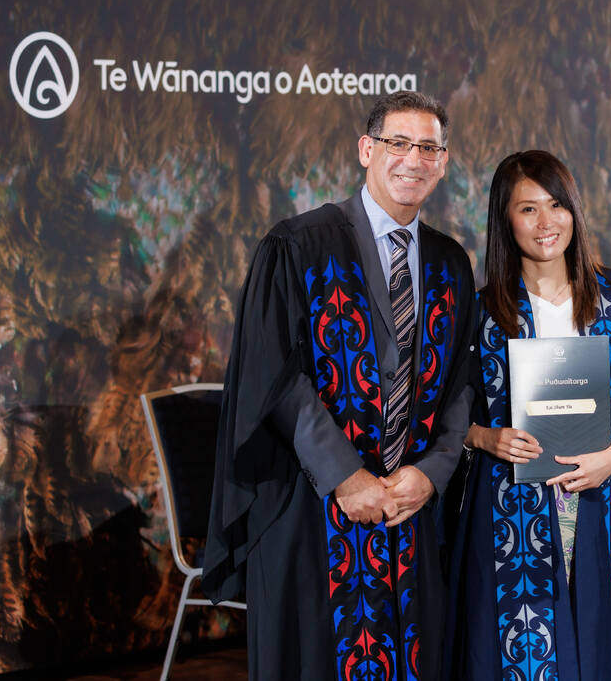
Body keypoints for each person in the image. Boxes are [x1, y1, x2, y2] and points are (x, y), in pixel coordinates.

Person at [202, 91, 477, 680]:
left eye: (428, 148)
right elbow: (276, 378)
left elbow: (460, 385)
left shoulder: (451, 262)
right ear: (366, 150)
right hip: (313, 502)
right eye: (398, 143)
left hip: (408, 507)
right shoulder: (298, 245)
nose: (413, 159)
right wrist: (347, 479)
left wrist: (431, 474)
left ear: (443, 162)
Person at [444, 151, 611, 679]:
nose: (546, 222)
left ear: (574, 210)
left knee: (601, 638)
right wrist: (484, 438)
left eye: (556, 205)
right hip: (509, 503)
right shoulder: (481, 312)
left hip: (601, 497)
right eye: (527, 208)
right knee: (519, 650)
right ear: (505, 220)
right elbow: (442, 408)